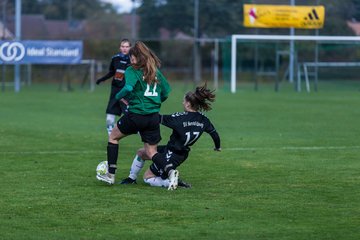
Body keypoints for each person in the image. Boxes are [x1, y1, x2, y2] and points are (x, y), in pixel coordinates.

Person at [96, 41, 171, 185]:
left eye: (132, 57)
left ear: (138, 57)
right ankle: (171, 172)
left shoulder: (132, 70)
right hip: (153, 117)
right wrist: (155, 102)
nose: (131, 59)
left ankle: (110, 175)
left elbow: (128, 88)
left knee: (113, 137)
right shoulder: (154, 71)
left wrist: (118, 96)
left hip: (136, 115)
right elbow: (166, 92)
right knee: (151, 152)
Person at [120, 84, 221, 190]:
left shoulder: (179, 118)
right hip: (179, 152)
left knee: (148, 177)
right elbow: (214, 134)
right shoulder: (204, 119)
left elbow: (157, 118)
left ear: (188, 104)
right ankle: (131, 179)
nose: (182, 103)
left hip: (172, 154)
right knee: (141, 152)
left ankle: (170, 182)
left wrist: (137, 110)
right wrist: (217, 147)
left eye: (184, 101)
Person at [96, 39, 131, 136]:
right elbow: (112, 72)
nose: (124, 48)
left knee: (131, 116)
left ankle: (142, 133)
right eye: (123, 46)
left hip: (127, 91)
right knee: (109, 117)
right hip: (115, 90)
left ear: (130, 48)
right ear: (120, 48)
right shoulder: (115, 58)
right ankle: (111, 138)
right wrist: (102, 79)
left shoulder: (133, 60)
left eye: (127, 46)